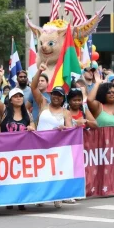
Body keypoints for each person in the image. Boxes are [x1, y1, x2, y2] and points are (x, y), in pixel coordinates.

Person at [0, 67, 35, 211]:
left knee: (20, 177)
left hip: (21, 153)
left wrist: (31, 128)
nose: (19, 98)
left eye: (21, 96)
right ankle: (8, 200)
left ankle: (20, 200)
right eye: (15, 96)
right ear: (10, 99)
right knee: (6, 177)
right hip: (5, 151)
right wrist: (0, 77)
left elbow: (33, 126)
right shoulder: (4, 111)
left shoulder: (27, 114)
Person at [31, 63, 72, 208]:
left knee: (55, 171)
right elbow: (33, 87)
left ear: (63, 99)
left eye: (59, 96)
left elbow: (70, 128)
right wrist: (40, 70)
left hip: (57, 147)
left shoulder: (66, 112)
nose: (56, 97)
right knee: (40, 171)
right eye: (54, 94)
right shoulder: (43, 103)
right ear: (51, 95)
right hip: (40, 144)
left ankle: (57, 196)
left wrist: (64, 128)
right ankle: (40, 197)